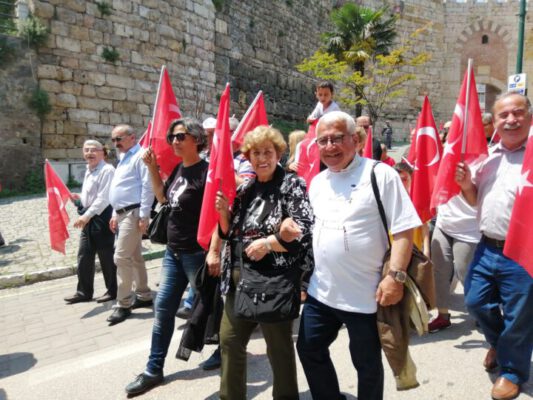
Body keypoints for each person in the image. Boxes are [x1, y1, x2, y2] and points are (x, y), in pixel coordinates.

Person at [297, 111, 421, 400]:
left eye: (337, 138)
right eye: (323, 140)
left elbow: (404, 230)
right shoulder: (317, 182)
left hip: (366, 297)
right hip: (322, 292)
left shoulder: (380, 175)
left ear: (355, 139)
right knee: (309, 348)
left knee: (366, 364)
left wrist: (395, 277)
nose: (329, 146)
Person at [209, 125, 313, 400]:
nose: (262, 158)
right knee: (230, 341)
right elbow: (230, 232)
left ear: (279, 153)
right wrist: (223, 215)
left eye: (268, 151)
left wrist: (269, 243)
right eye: (255, 153)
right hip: (240, 277)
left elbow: (304, 229)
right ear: (248, 157)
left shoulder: (292, 184)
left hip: (274, 280)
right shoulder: (245, 189)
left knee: (278, 348)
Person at [455, 92, 533, 400]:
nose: (511, 119)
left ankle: (512, 371)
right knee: (475, 301)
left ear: (529, 117)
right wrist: (465, 186)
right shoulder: (488, 156)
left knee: (519, 313)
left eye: (518, 113)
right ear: (495, 121)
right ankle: (502, 346)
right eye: (504, 115)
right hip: (487, 247)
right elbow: (477, 201)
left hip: (523, 251)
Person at [124, 118, 209, 396]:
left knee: (209, 306)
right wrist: (151, 168)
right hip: (173, 254)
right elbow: (162, 198)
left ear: (196, 139)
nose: (174, 141)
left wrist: (215, 250)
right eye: (172, 137)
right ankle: (153, 369)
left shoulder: (206, 172)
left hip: (197, 254)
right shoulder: (178, 170)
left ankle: (225, 350)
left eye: (180, 136)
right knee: (163, 311)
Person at [107, 125, 154, 325]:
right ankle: (143, 295)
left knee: (120, 256)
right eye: (113, 140)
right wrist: (113, 213)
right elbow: (119, 187)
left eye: (119, 138)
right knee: (134, 256)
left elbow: (148, 185)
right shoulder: (123, 157)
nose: (116, 143)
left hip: (133, 213)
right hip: (122, 213)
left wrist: (144, 215)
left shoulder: (141, 155)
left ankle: (123, 303)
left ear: (132, 137)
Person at [64, 140, 117, 304]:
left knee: (106, 257)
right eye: (86, 150)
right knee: (84, 256)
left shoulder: (107, 170)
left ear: (103, 152)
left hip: (101, 218)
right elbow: (90, 195)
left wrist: (86, 216)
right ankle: (84, 292)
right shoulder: (89, 169)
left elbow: (103, 198)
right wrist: (78, 198)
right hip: (89, 216)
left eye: (94, 150)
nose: (89, 153)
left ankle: (113, 291)